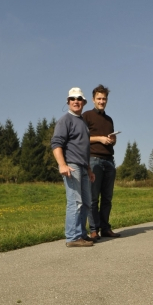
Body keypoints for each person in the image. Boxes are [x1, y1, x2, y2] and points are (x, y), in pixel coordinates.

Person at [51, 87, 95, 248]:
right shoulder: (65, 120)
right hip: (72, 166)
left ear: (83, 102)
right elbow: (56, 143)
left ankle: (81, 234)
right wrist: (62, 164)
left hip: (83, 167)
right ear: (68, 102)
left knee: (86, 203)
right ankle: (72, 237)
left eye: (79, 99)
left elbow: (85, 148)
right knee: (75, 202)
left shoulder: (82, 122)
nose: (76, 101)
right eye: (72, 99)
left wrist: (89, 169)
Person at [82, 84, 121, 240]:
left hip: (109, 160)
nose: (101, 101)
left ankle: (105, 228)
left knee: (107, 198)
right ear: (93, 100)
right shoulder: (87, 116)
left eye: (104, 99)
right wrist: (99, 138)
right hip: (94, 160)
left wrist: (113, 139)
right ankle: (93, 229)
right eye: (99, 98)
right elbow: (82, 138)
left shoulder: (109, 119)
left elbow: (111, 141)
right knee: (93, 198)